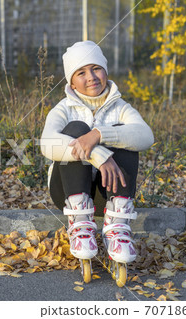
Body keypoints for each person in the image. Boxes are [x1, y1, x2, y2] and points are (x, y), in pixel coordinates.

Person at [40, 41, 154, 270]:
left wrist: (100, 134)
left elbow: (146, 135)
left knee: (125, 131)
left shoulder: (120, 107)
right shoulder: (63, 109)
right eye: (81, 72)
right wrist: (99, 154)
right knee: (76, 129)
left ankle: (118, 226)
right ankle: (80, 224)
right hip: (66, 193)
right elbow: (47, 142)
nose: (91, 76)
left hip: (107, 196)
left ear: (106, 71)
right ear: (71, 82)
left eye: (96, 68)